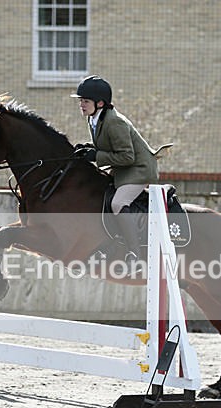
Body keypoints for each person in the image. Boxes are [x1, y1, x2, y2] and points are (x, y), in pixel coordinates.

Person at [70, 75, 159, 270]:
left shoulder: (114, 122)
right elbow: (105, 146)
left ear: (100, 103)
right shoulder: (95, 118)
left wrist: (96, 156)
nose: (81, 105)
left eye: (85, 101)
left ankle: (136, 254)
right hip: (124, 168)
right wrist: (87, 149)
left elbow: (127, 157)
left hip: (139, 170)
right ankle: (111, 243)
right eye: (80, 101)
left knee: (118, 203)